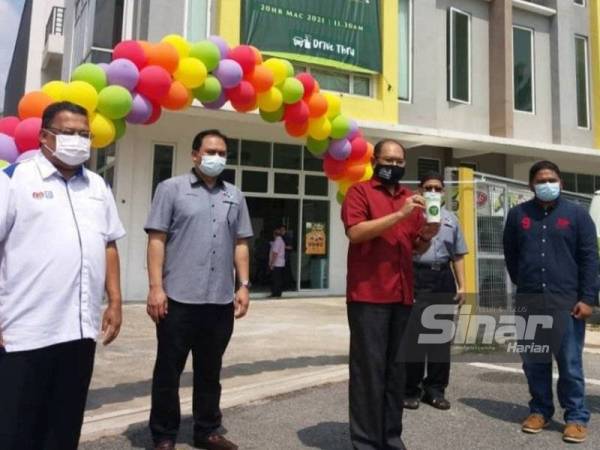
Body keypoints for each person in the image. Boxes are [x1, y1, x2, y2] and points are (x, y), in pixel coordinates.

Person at [0, 101, 126, 450]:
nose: (78, 141)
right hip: (24, 332)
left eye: (84, 135)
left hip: (80, 331)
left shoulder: (98, 186)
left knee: (64, 427)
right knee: (15, 430)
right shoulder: (13, 180)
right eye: (68, 133)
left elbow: (109, 243)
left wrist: (115, 300)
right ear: (44, 137)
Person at [145, 129, 253, 450]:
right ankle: (164, 434)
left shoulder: (234, 195)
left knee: (210, 370)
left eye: (222, 153)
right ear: (195, 155)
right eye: (210, 151)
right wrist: (155, 288)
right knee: (168, 370)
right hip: (177, 298)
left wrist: (243, 285)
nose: (216, 158)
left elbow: (241, 243)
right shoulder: (171, 189)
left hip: (219, 301)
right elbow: (156, 240)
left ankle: (207, 430)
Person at [341, 139, 440, 450]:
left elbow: (414, 246)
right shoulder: (360, 192)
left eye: (400, 162)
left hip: (402, 295)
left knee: (396, 372)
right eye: (389, 160)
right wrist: (399, 215)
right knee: (369, 372)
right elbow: (356, 232)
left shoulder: (410, 198)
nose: (394, 166)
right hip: (369, 296)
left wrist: (427, 236)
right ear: (374, 159)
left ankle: (391, 439)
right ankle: (366, 442)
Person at [503, 160, 598, 444]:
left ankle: (576, 417)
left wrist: (588, 298)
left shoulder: (577, 215)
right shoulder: (519, 214)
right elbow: (511, 254)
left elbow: (590, 259)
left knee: (569, 362)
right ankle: (540, 410)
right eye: (542, 180)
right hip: (530, 301)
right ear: (532, 184)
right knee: (534, 361)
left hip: (567, 303)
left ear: (561, 183)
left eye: (552, 179)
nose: (548, 184)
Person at [404, 172, 468, 411]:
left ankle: (436, 390)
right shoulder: (409, 215)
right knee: (414, 337)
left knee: (440, 339)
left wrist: (462, 286)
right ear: (419, 190)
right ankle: (410, 389)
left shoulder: (451, 219)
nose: (433, 191)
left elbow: (458, 255)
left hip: (442, 277)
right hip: (415, 275)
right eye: (428, 187)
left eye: (437, 188)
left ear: (443, 192)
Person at [269, 228, 286, 298]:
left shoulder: (277, 241)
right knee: (279, 278)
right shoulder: (281, 241)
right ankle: (278, 292)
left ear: (274, 234)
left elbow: (275, 253)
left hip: (277, 263)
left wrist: (272, 263)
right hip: (281, 263)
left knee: (275, 279)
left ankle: (275, 293)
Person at [278, 224, 295, 289]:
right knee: (284, 273)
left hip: (286, 258)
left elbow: (291, 247)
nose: (281, 231)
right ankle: (285, 286)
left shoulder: (287, 237)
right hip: (282, 258)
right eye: (280, 230)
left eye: (283, 230)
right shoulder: (281, 237)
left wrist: (283, 247)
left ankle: (288, 286)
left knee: (286, 273)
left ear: (285, 230)